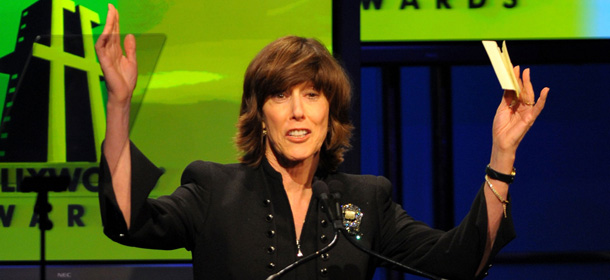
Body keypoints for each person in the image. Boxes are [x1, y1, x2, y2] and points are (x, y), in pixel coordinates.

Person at [95, 4, 549, 280]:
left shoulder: (366, 200)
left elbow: (461, 262)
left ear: (329, 111)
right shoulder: (213, 189)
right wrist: (119, 105)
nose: (297, 112)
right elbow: (128, 223)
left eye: (311, 95)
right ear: (259, 113)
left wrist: (501, 154)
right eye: (280, 95)